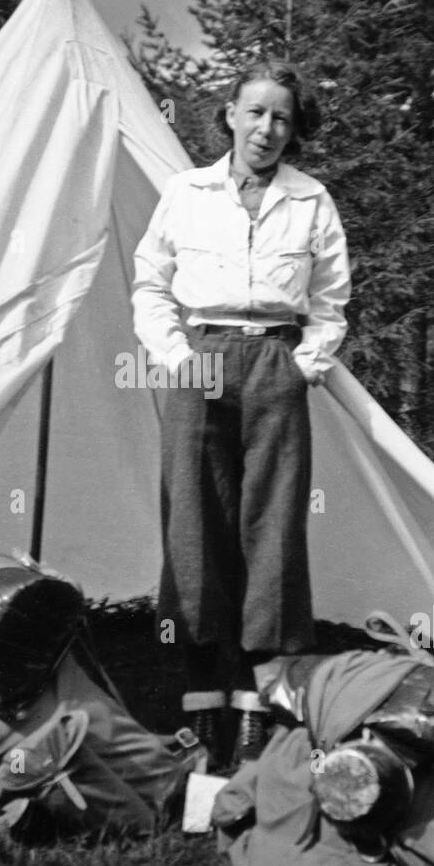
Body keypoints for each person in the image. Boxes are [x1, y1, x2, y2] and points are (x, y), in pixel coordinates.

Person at [132, 61, 351, 767]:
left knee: (273, 528)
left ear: (293, 129)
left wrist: (303, 368)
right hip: (200, 359)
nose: (267, 129)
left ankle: (258, 718)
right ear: (228, 114)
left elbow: (331, 301)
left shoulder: (311, 200)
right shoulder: (185, 192)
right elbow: (151, 284)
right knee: (194, 525)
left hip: (274, 364)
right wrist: (173, 355)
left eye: (282, 118)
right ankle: (203, 720)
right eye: (255, 113)